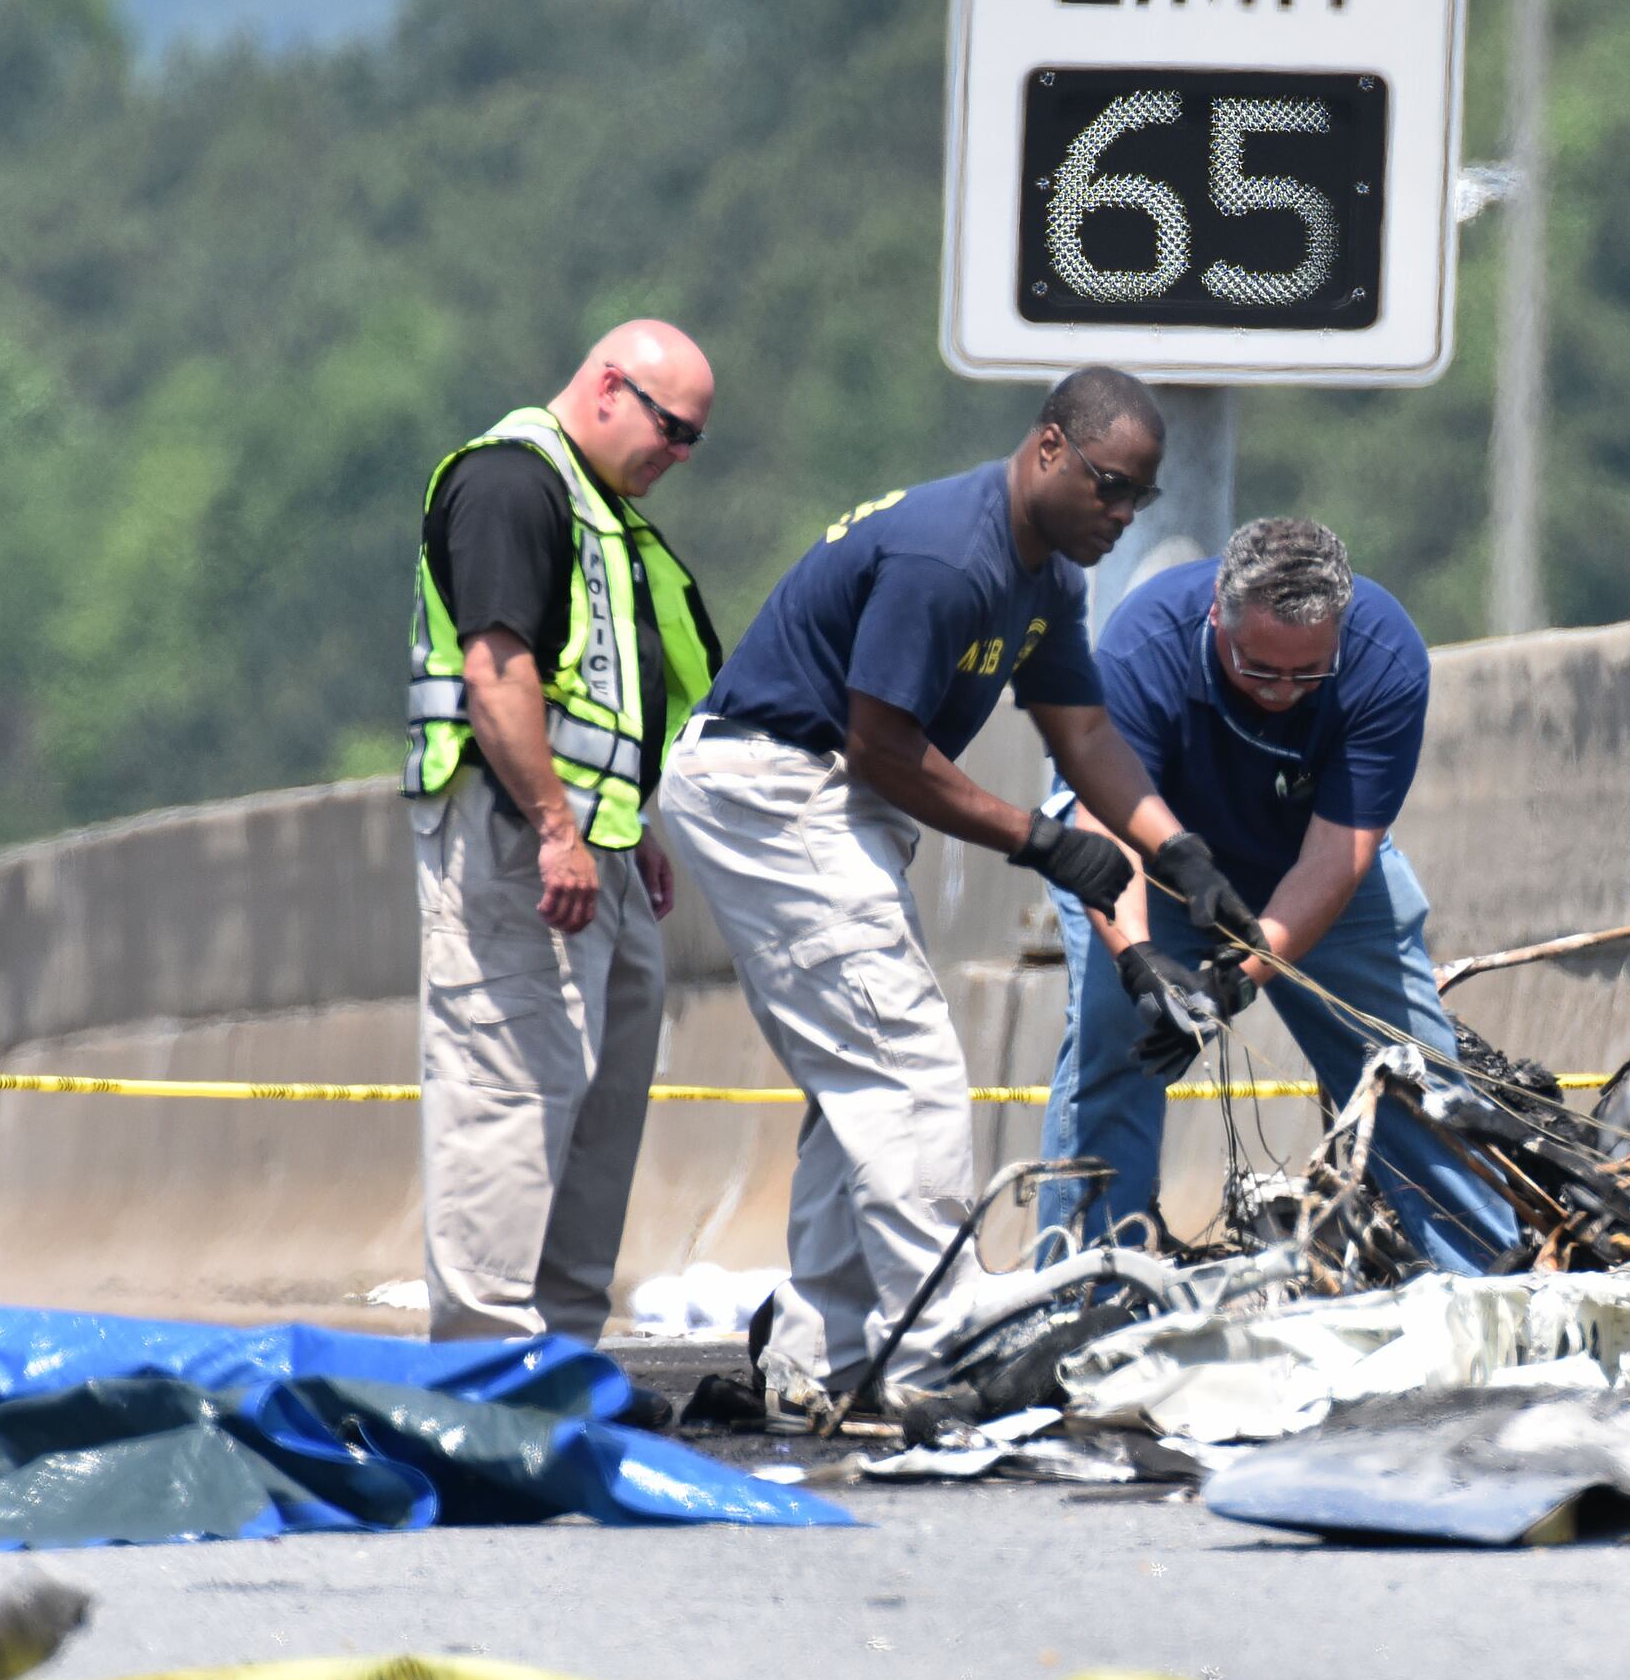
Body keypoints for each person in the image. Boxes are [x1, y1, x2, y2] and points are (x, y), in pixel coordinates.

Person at [658, 365, 1261, 1418]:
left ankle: (820, 1352)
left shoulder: (1048, 579)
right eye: (1109, 486)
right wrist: (1039, 842)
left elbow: (1082, 732)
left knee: (858, 1084)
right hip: (775, 782)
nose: (1121, 516)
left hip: (830, 798)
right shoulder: (951, 556)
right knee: (908, 1069)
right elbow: (881, 749)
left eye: (1141, 500)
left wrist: (1179, 853)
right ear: (1048, 450)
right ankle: (937, 1345)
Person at [1037, 515, 1520, 1273]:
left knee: (1404, 1062)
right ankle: (1086, 1288)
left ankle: (1485, 1274)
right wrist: (1138, 961)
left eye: (1308, 675)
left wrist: (1239, 978)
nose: (1283, 694)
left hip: (1307, 857)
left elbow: (1337, 858)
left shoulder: (1386, 657)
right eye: (1259, 670)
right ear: (1216, 621)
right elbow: (1105, 832)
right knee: (1114, 1039)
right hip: (1151, 855)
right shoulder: (1144, 644)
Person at [403, 318, 724, 1342]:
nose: (678, 456)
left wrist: (631, 831)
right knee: (508, 1097)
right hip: (516, 851)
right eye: (671, 429)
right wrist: (556, 827)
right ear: (606, 388)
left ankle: (564, 1355)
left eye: (693, 441)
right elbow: (498, 673)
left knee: (597, 1111)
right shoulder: (513, 483)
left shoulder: (600, 512)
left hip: (598, 853)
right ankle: (489, 1363)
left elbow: (610, 707)